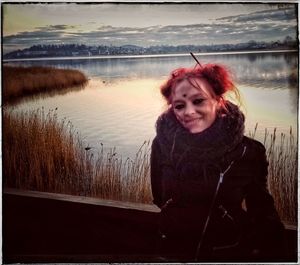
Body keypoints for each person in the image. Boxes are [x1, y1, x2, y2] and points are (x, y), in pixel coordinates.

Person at [150, 54, 285, 262]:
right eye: (179, 105)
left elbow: (263, 212)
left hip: (225, 254)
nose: (188, 112)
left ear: (218, 100)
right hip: (169, 253)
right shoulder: (163, 145)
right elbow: (160, 197)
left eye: (198, 101)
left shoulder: (248, 151)